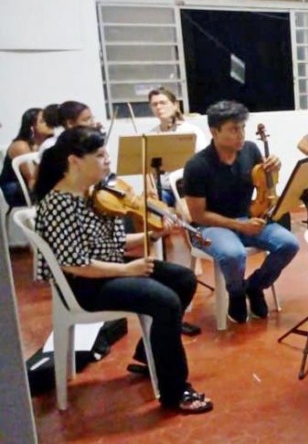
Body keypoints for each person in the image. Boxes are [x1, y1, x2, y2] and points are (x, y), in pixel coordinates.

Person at [33, 126, 213, 414]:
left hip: (111, 269)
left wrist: (151, 235)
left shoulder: (92, 194)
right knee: (165, 302)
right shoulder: (59, 204)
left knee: (183, 279)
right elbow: (74, 264)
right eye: (99, 155)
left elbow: (114, 242)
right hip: (85, 285)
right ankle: (175, 391)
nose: (108, 160)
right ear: (74, 161)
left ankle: (148, 352)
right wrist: (128, 269)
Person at [183, 100, 299, 323]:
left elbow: (265, 181)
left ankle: (254, 286)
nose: (241, 135)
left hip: (248, 217)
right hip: (210, 226)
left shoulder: (250, 150)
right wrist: (238, 225)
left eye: (243, 128)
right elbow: (198, 216)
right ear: (214, 132)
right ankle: (236, 293)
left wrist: (274, 166)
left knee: (289, 244)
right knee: (233, 254)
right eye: (234, 129)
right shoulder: (197, 166)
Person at [147, 88, 207, 206]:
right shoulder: (152, 134)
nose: (159, 107)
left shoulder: (191, 131)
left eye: (163, 103)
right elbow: (147, 169)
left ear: (175, 105)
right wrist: (149, 189)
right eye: (154, 104)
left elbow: (204, 161)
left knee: (183, 210)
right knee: (147, 207)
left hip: (187, 188)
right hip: (163, 188)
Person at [0, 108, 53, 207]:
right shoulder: (21, 146)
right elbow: (32, 179)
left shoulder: (48, 143)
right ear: (32, 127)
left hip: (36, 184)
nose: (49, 124)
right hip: (17, 189)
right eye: (43, 121)